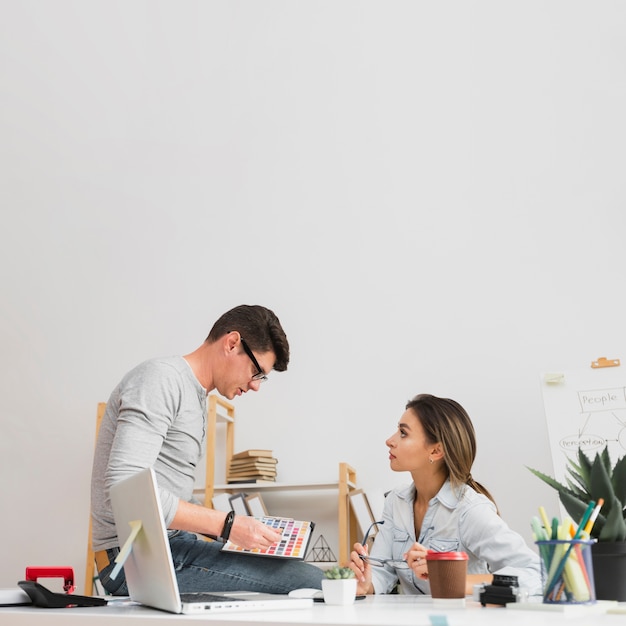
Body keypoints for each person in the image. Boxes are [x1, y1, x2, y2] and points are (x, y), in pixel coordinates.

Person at [91, 304, 324, 595]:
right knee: (315, 583)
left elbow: (171, 496)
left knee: (303, 575)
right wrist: (229, 525)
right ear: (232, 343)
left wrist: (240, 533)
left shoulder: (195, 396)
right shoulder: (160, 380)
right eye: (256, 372)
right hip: (132, 558)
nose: (255, 387)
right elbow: (125, 489)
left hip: (167, 545)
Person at [349, 393, 542, 596]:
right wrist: (366, 584)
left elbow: (535, 573)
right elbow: (382, 574)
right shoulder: (395, 502)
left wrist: (448, 576)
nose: (390, 440)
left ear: (436, 451)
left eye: (403, 433)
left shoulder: (469, 510)